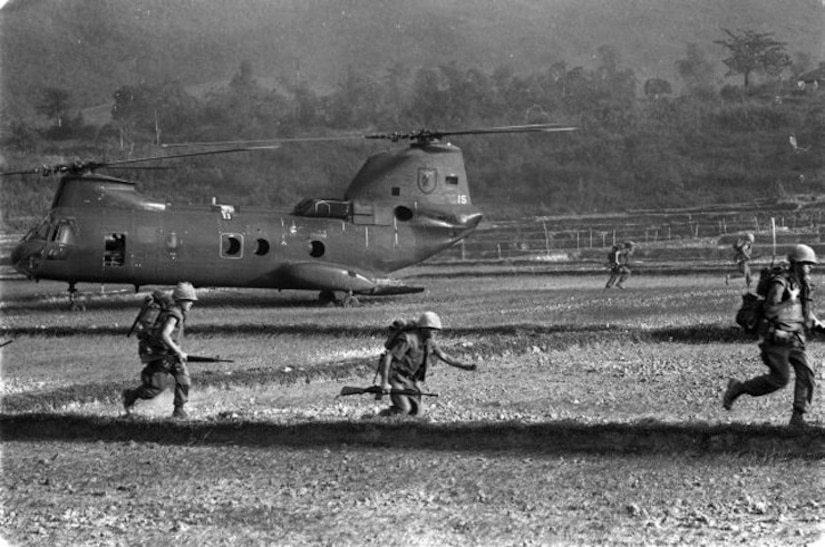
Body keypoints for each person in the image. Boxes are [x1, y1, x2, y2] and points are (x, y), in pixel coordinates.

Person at [723, 244, 824, 428]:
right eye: (806, 265)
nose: (810, 268)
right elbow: (770, 309)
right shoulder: (780, 282)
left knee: (807, 373)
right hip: (776, 339)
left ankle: (798, 417)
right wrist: (790, 302)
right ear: (796, 264)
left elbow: (806, 314)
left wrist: (819, 325)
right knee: (780, 379)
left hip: (795, 339)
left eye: (811, 265)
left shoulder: (804, 285)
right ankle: (739, 388)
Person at [375, 311, 477, 417]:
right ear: (424, 329)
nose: (435, 333)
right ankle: (378, 420)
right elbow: (388, 357)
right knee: (404, 408)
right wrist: (384, 382)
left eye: (436, 331)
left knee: (418, 411)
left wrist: (464, 366)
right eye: (432, 330)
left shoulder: (429, 342)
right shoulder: (408, 339)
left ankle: (405, 428)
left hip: (409, 379)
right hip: (395, 376)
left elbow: (444, 356)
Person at [122, 282, 198, 418]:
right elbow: (164, 335)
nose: (191, 304)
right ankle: (130, 395)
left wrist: (177, 352)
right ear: (181, 301)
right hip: (161, 354)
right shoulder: (174, 314)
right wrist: (179, 352)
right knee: (154, 389)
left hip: (171, 354)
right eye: (189, 301)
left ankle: (179, 410)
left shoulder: (177, 312)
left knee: (184, 380)